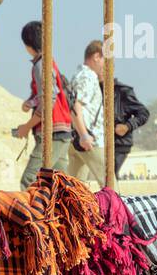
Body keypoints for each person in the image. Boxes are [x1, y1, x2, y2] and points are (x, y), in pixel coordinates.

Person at [14, 20, 73, 189]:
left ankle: (32, 216)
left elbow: (49, 100)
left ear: (28, 44)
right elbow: (47, 95)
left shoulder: (40, 65)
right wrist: (30, 102)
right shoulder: (48, 62)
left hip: (52, 133)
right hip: (61, 131)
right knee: (63, 185)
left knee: (29, 180)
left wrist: (27, 126)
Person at [67, 40, 107, 187]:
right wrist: (84, 135)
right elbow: (75, 105)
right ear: (96, 56)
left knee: (75, 190)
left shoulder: (79, 74)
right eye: (105, 59)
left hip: (77, 139)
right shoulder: (88, 76)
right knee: (111, 186)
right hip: (90, 140)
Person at [112, 80, 150, 179]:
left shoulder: (122, 91)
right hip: (95, 141)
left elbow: (143, 113)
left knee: (109, 176)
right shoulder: (90, 87)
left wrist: (127, 126)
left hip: (119, 143)